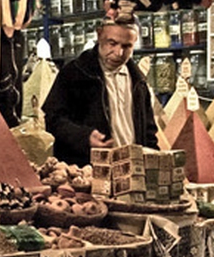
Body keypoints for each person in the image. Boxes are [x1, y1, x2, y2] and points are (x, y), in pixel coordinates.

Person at [41, 17, 159, 164]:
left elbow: (149, 132)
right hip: (87, 169)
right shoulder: (76, 73)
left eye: (127, 46)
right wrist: (85, 137)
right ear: (99, 35)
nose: (119, 53)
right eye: (112, 43)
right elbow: (53, 120)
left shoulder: (138, 81)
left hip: (132, 170)